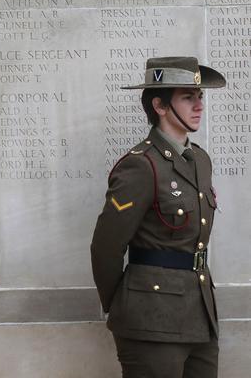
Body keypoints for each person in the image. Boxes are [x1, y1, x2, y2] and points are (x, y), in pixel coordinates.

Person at [91, 56, 226, 378]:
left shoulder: (200, 160)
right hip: (149, 320)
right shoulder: (141, 165)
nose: (199, 106)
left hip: (200, 314)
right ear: (160, 106)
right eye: (187, 97)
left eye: (200, 97)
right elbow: (106, 247)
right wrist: (125, 303)